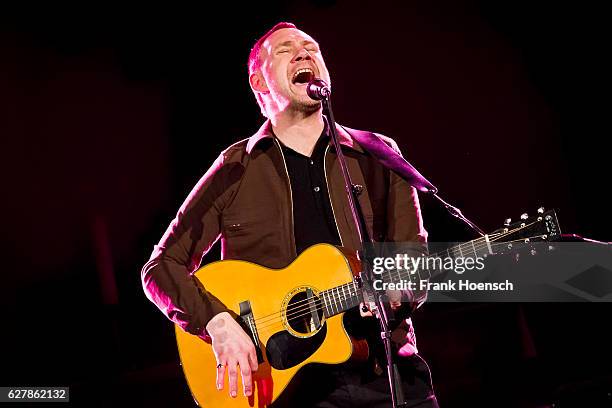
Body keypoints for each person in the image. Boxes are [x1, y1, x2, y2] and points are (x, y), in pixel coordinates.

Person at [142, 22, 438, 407]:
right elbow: (161, 266)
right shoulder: (235, 169)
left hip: (388, 377)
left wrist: (400, 292)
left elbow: (413, 259)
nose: (303, 54)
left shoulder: (377, 153)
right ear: (259, 83)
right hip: (289, 391)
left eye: (311, 47)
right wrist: (216, 323)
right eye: (285, 51)